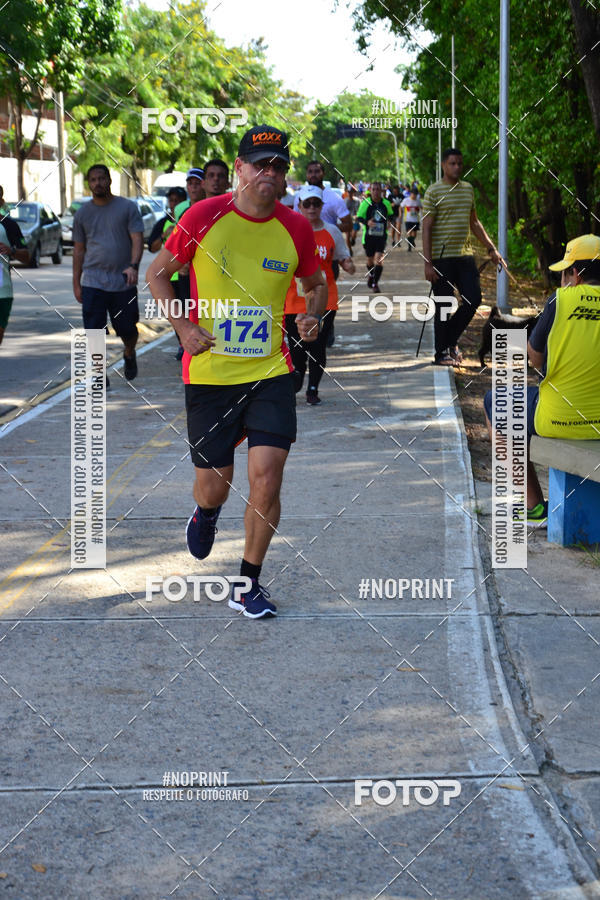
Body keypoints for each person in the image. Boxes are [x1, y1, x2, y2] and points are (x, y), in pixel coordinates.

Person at [147, 125, 327, 619]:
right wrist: (183, 327)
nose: (269, 173)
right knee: (216, 483)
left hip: (270, 370)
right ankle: (206, 514)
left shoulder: (295, 228)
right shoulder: (204, 215)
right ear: (240, 168)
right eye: (260, 164)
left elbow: (314, 285)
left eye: (278, 166)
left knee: (267, 476)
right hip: (209, 374)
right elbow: (157, 274)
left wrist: (311, 314)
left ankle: (248, 583)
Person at [484, 234, 600, 526]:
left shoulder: (560, 300)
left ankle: (534, 505)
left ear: (575, 273)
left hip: (556, 418)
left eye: (566, 271)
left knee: (492, 403)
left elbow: (534, 358)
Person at [422, 148, 505, 366]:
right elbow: (427, 227)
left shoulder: (468, 189)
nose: (457, 167)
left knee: (473, 298)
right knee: (443, 305)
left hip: (464, 256)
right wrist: (427, 263)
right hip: (441, 258)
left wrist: (491, 249)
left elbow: (475, 222)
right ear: (443, 165)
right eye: (452, 164)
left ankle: (449, 340)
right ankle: (441, 353)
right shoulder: (434, 191)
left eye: (459, 163)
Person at [284, 184, 355, 404]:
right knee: (296, 345)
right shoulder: (288, 230)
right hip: (294, 298)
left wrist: (348, 264)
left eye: (316, 204)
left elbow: (343, 257)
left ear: (321, 206)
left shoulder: (332, 231)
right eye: (308, 204)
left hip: (325, 297)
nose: (312, 208)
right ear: (300, 206)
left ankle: (312, 388)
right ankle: (296, 380)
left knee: (316, 343)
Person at [72, 164, 144, 380]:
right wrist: (76, 283)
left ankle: (129, 352)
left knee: (128, 329)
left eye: (101, 178)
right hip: (93, 282)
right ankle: (98, 373)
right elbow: (78, 250)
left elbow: (137, 240)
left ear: (109, 180)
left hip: (122, 281)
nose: (98, 183)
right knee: (94, 331)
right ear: (89, 184)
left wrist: (133, 266)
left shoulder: (127, 207)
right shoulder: (83, 214)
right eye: (93, 180)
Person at [356, 182, 395, 293]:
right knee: (370, 261)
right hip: (368, 236)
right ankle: (372, 275)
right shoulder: (366, 203)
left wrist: (389, 222)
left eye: (378, 189)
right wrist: (366, 222)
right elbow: (359, 217)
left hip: (381, 236)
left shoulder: (386, 203)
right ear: (370, 190)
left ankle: (375, 283)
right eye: (374, 189)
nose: (376, 191)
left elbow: (391, 215)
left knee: (379, 260)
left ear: (381, 191)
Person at [0, 207, 29, 345]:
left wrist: (10, 250)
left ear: (1, 201)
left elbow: (26, 257)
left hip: (2, 292)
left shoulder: (9, 225)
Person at [148, 186, 187, 253]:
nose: (174, 204)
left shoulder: (191, 220)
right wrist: (164, 235)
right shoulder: (163, 222)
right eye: (171, 200)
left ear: (184, 202)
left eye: (177, 201)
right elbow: (152, 249)